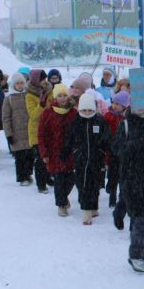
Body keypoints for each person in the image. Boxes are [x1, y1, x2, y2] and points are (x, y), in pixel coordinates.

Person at [113, 105, 144, 272]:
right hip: (132, 179)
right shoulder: (126, 125)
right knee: (142, 219)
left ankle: (139, 254)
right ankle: (138, 256)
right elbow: (119, 150)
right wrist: (142, 142)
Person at [62, 93, 111, 225]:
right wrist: (66, 152)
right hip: (80, 160)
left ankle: (93, 206)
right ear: (80, 109)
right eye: (84, 110)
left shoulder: (100, 121)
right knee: (82, 185)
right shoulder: (75, 122)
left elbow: (107, 138)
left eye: (90, 110)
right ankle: (86, 211)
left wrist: (104, 149)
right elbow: (69, 139)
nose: (87, 113)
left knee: (95, 185)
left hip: (96, 159)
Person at [38, 83, 77, 216]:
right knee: (59, 179)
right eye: (59, 95)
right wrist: (44, 152)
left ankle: (64, 197)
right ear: (55, 97)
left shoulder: (73, 112)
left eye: (64, 95)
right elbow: (41, 134)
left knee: (71, 178)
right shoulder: (48, 112)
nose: (62, 98)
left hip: (70, 152)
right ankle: (61, 204)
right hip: (54, 152)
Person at [2, 73, 33, 185]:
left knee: (30, 155)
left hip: (29, 131)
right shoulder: (9, 98)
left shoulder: (28, 95)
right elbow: (6, 118)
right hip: (16, 133)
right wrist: (8, 134)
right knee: (20, 157)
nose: (20, 85)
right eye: (17, 83)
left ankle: (28, 173)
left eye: (21, 83)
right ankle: (22, 177)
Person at [26, 69, 53, 193]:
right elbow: (33, 114)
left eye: (45, 79)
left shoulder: (49, 91)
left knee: (49, 156)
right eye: (42, 79)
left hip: (49, 129)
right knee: (41, 159)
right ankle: (41, 184)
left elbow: (53, 106)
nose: (44, 82)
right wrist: (41, 105)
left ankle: (48, 177)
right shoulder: (30, 95)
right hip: (36, 131)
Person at [104, 91, 130, 209]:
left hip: (124, 152)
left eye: (117, 104)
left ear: (124, 106)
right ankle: (112, 195)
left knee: (123, 176)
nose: (114, 105)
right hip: (112, 151)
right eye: (113, 102)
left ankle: (122, 197)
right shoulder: (108, 116)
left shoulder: (128, 118)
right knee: (113, 175)